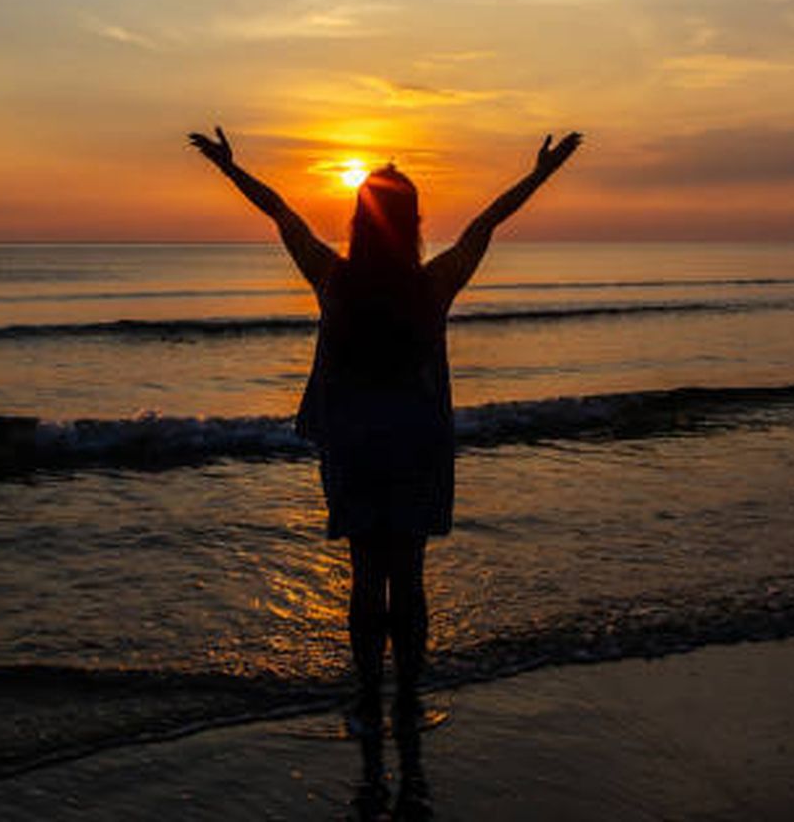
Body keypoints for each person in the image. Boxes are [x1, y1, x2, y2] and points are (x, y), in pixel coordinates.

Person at [188, 126, 582, 818]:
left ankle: (369, 696)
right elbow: (490, 219)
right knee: (412, 575)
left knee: (367, 577)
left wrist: (232, 166)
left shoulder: (334, 278)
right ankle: (406, 696)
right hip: (416, 443)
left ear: (359, 217)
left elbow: (281, 212)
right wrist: (541, 171)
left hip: (356, 447)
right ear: (414, 220)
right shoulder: (432, 284)